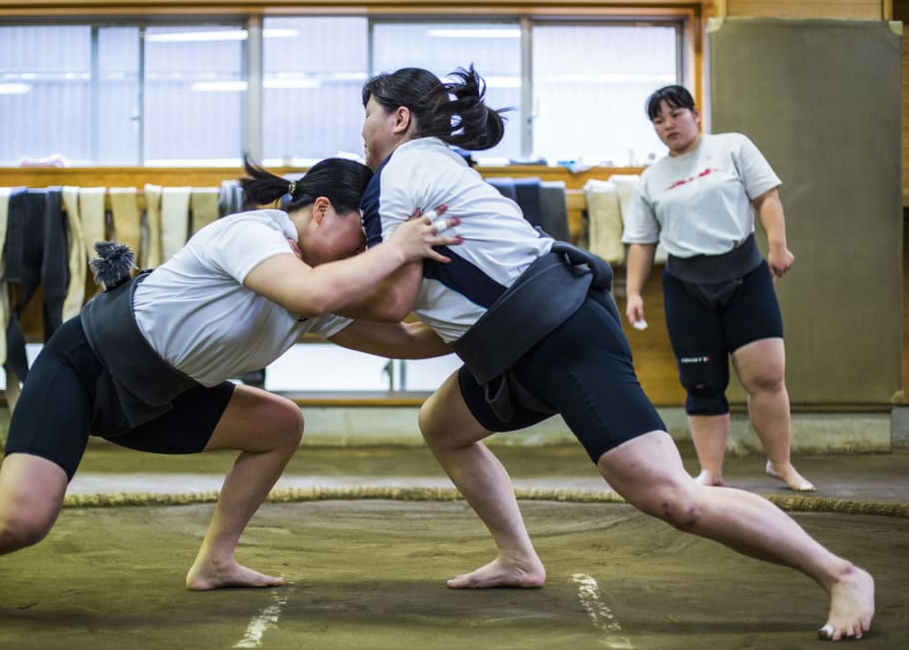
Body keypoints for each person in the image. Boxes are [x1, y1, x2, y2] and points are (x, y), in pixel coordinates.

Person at [352, 65, 873, 641]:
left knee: (674, 499)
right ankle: (519, 560)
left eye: (367, 114)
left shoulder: (402, 169)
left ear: (398, 119)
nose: (362, 129)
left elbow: (394, 299)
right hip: (517, 342)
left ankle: (841, 573)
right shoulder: (436, 164)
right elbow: (417, 327)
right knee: (442, 424)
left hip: (558, 330)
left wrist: (307, 295)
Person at [0, 157, 460, 599]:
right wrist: (399, 248)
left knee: (278, 424)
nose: (367, 253)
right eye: (364, 236)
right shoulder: (254, 233)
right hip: (85, 367)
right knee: (18, 523)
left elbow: (406, 340)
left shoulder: (321, 282)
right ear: (320, 210)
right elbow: (312, 294)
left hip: (161, 397)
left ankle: (216, 562)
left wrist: (487, 327)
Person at [622, 84, 815, 493]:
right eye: (658, 120)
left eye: (675, 114)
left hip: (745, 277)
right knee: (702, 384)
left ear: (695, 114)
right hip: (687, 288)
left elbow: (767, 197)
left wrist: (778, 246)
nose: (668, 125)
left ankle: (781, 464)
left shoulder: (732, 148)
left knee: (766, 377)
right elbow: (642, 240)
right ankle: (711, 472)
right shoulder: (651, 179)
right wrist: (634, 292)